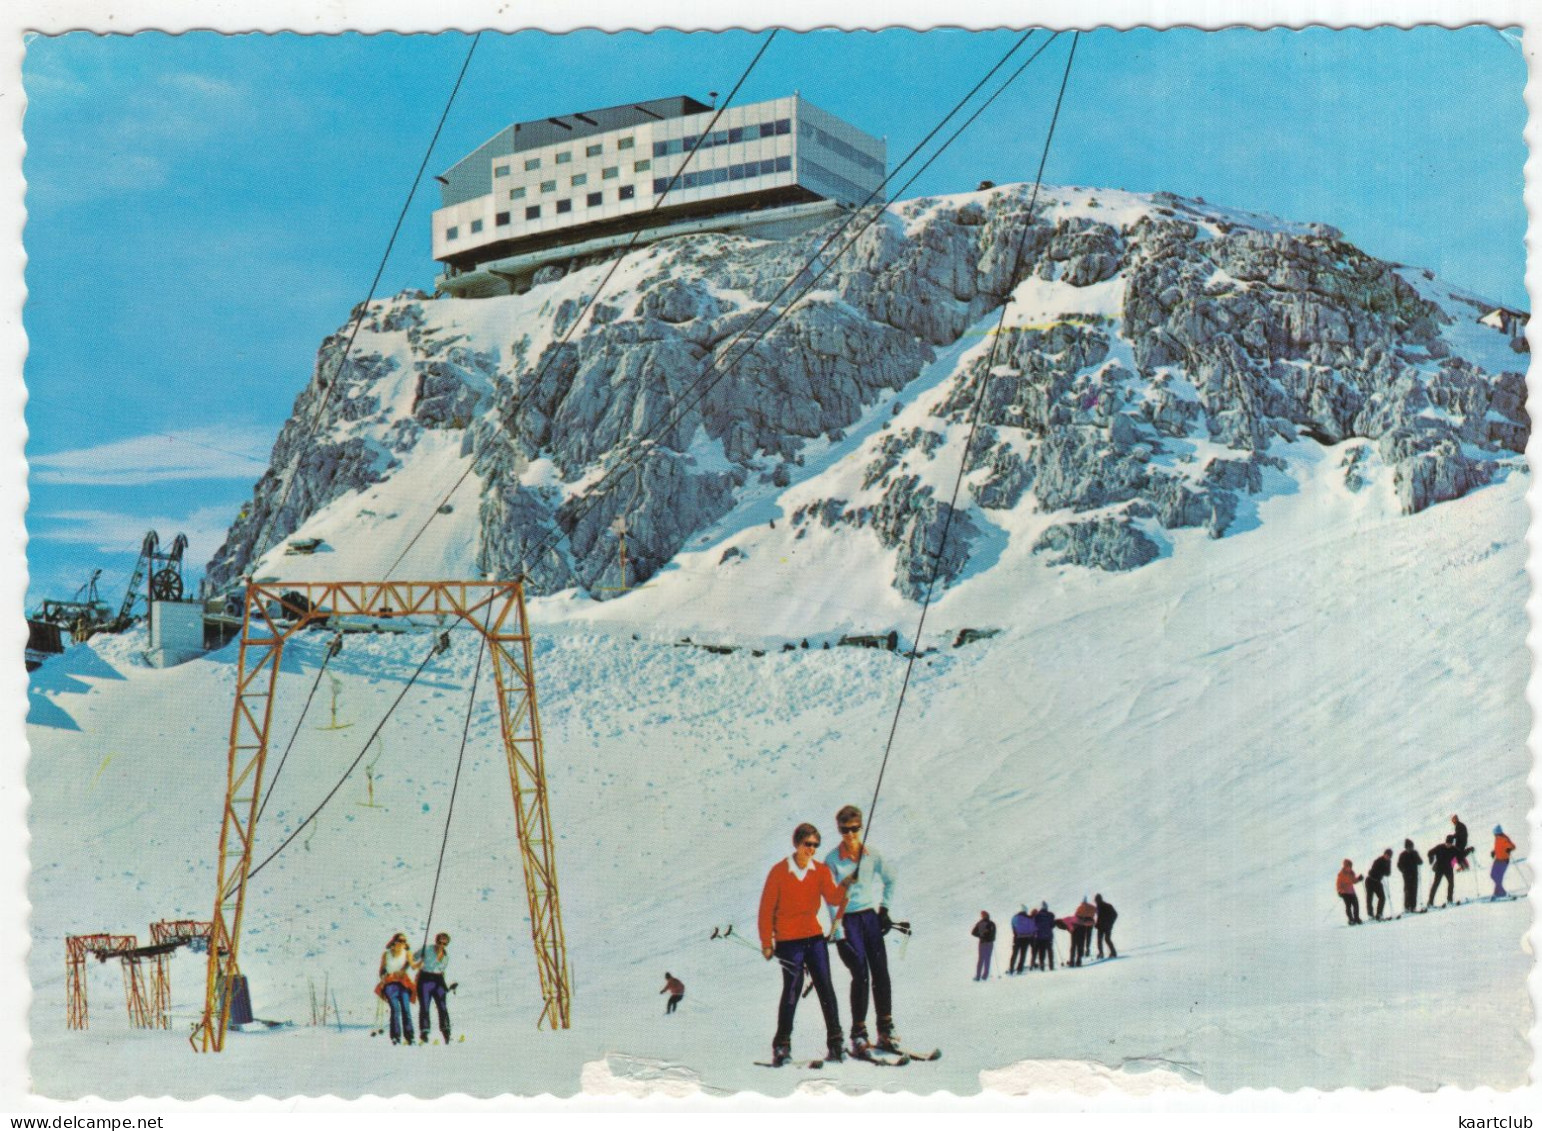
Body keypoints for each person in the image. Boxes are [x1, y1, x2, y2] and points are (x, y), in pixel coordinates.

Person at [759, 822, 850, 1066]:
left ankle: (836, 1043)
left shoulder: (819, 871)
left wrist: (845, 885)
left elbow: (833, 897)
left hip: (814, 937)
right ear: (797, 843)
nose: (811, 849)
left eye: (815, 846)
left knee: (825, 987)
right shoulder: (779, 872)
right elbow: (766, 909)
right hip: (789, 941)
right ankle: (782, 1045)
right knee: (793, 988)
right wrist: (767, 941)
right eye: (807, 844)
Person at [824, 804, 899, 1053]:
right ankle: (858, 1034)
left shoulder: (872, 855)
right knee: (861, 974)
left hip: (869, 918)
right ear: (839, 830)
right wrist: (837, 932)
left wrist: (884, 909)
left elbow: (890, 879)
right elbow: (830, 898)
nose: (851, 835)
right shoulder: (832, 860)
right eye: (845, 830)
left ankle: (885, 1030)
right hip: (848, 919)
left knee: (881, 972)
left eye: (855, 829)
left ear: (861, 826)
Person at [376, 932, 419, 1045]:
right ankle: (395, 1037)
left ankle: (410, 1037)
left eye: (404, 941)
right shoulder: (386, 954)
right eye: (400, 940)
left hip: (403, 983)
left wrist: (420, 964)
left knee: (406, 1009)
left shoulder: (407, 953)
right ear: (394, 941)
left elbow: (413, 966)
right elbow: (381, 970)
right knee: (395, 1009)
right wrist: (383, 975)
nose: (402, 943)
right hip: (390, 984)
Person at [416, 931, 453, 1044]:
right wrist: (420, 957)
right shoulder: (427, 949)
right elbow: (413, 958)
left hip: (439, 980)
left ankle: (446, 1032)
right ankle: (425, 1032)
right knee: (425, 1006)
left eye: (444, 943)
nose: (441, 945)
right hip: (425, 979)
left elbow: (442, 970)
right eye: (439, 942)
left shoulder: (446, 956)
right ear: (436, 941)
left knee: (442, 1007)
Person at [1427, 835, 1459, 907]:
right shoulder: (1440, 847)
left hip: (1448, 869)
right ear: (1446, 842)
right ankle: (1430, 902)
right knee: (1436, 884)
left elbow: (1460, 855)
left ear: (1452, 843)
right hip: (1439, 869)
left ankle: (1450, 900)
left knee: (1451, 883)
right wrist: (1431, 859)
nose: (1448, 845)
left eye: (1450, 843)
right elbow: (1429, 852)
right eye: (1447, 843)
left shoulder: (1454, 849)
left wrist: (1469, 850)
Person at [1365, 850, 1393, 920]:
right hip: (1370, 880)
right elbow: (1374, 870)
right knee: (1369, 898)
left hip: (1378, 881)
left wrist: (1384, 871)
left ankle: (1379, 914)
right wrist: (1383, 870)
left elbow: (1388, 873)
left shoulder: (1389, 862)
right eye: (1386, 855)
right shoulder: (1378, 860)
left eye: (1389, 856)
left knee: (1382, 897)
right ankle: (1370, 915)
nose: (1387, 857)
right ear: (1384, 854)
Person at [1396, 839, 1422, 914]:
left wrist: (1418, 860)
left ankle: (1413, 907)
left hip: (1414, 874)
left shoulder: (1415, 853)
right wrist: (1403, 870)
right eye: (1409, 847)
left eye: (1412, 847)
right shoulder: (1402, 855)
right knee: (1407, 890)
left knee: (1414, 890)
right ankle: (1407, 907)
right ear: (1406, 847)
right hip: (1406, 875)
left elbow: (1420, 861)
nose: (1411, 849)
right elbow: (1399, 865)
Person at [1491, 825, 1517, 899]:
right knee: (1493, 875)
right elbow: (1498, 847)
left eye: (1495, 834)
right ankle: (1500, 892)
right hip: (1498, 859)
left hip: (1504, 860)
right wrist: (1494, 852)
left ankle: (1499, 892)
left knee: (1498, 877)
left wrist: (1509, 849)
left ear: (1497, 833)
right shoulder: (1497, 838)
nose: (1494, 835)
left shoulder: (1504, 838)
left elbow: (1513, 846)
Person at [1336, 860, 1363, 925]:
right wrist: (1339, 891)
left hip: (1351, 892)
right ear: (1345, 866)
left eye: (1350, 866)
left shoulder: (1351, 873)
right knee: (1348, 906)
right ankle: (1351, 919)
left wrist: (1359, 879)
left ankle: (1356, 918)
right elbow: (1338, 884)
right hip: (1344, 892)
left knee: (1356, 904)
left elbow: (1353, 881)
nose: (1349, 868)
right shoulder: (1341, 874)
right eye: (1348, 866)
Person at [1009, 905, 1034, 975]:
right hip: (1026, 938)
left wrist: (1015, 934)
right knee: (1023, 954)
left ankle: (1011, 968)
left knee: (1014, 954)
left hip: (1017, 938)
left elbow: (1013, 926)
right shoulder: (1029, 918)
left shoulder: (1015, 918)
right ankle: (1020, 969)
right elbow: (1032, 928)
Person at [1072, 896, 1097, 965]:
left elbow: (1076, 915)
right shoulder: (1092, 907)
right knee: (1089, 937)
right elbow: (1096, 911)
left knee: (1083, 939)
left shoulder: (1080, 907)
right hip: (1090, 924)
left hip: (1083, 925)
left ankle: (1082, 953)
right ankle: (1088, 949)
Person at [1031, 902, 1056, 970]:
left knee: (1041, 951)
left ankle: (1042, 965)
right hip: (1048, 936)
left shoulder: (1037, 915)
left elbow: (1034, 924)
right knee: (1049, 950)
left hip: (1039, 936)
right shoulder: (1050, 915)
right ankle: (1051, 965)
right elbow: (1053, 925)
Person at [971, 911, 995, 980]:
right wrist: (991, 939)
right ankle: (985, 975)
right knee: (987, 959)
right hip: (990, 943)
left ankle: (978, 976)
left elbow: (973, 932)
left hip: (982, 943)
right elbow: (994, 934)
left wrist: (980, 935)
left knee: (981, 959)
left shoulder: (979, 923)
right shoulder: (991, 923)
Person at [1094, 894, 1118, 959]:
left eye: (1096, 900)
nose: (1095, 902)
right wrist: (1111, 923)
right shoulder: (1107, 905)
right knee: (1107, 939)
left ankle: (1101, 953)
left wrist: (1097, 924)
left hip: (1102, 926)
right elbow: (1115, 915)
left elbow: (1100, 917)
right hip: (1107, 926)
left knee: (1100, 940)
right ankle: (1113, 952)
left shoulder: (1101, 906)